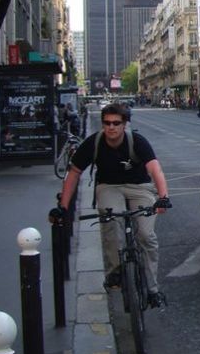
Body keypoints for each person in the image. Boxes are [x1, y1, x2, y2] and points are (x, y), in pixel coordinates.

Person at [49, 103, 171, 308]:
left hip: (139, 187)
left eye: (116, 123)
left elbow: (155, 170)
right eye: (107, 123)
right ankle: (114, 273)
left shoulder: (137, 141)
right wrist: (63, 207)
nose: (111, 127)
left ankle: (153, 289)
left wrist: (163, 197)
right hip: (109, 187)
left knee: (146, 235)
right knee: (111, 223)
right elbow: (74, 173)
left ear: (125, 125)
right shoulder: (94, 143)